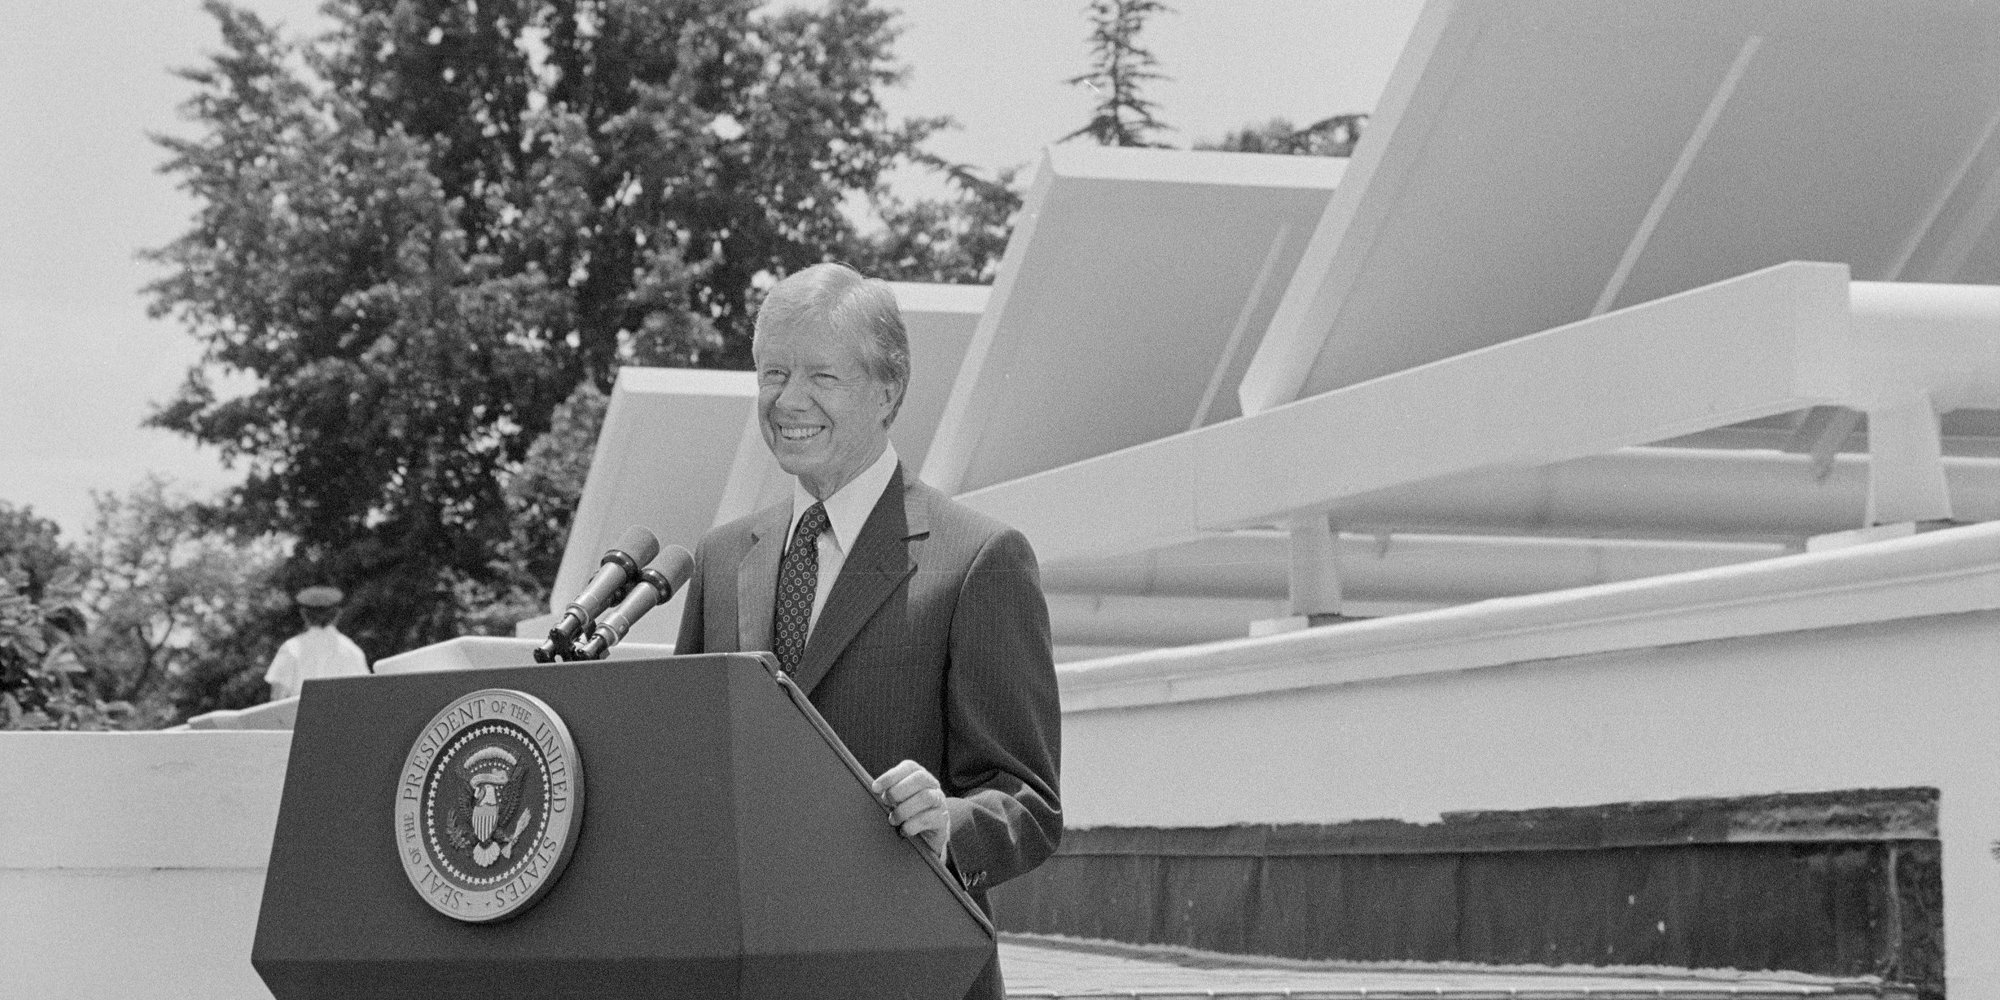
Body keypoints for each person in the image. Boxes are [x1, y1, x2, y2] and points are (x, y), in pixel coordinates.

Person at [675, 262, 1061, 1000]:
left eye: (821, 376)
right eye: (771, 373)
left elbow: (1030, 806)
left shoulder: (978, 559)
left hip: (911, 977)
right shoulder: (721, 559)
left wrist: (946, 821)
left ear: (889, 391)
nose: (788, 400)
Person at [263, 585, 370, 700]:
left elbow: (277, 699)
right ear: (337, 614)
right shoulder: (353, 651)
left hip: (301, 717)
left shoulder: (291, 649)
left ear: (304, 614)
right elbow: (366, 695)